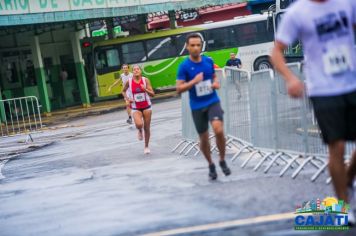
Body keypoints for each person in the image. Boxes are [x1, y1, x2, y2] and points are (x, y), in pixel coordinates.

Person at [270, 0, 356, 225]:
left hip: (352, 83)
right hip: (323, 89)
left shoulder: (347, 4)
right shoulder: (297, 12)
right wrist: (291, 79)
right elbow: (276, 52)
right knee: (336, 147)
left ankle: (347, 178)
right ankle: (344, 208)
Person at [176, 33, 231, 180]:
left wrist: (216, 83)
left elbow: (213, 76)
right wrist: (193, 81)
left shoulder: (207, 61)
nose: (195, 48)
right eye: (192, 45)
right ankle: (211, 164)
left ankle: (222, 160)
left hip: (212, 101)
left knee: (219, 130)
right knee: (204, 139)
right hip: (197, 106)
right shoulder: (184, 66)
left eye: (198, 45)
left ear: (201, 46)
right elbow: (179, 89)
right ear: (187, 47)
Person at [122, 65, 155, 154]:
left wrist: (145, 90)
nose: (136, 70)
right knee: (139, 124)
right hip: (136, 107)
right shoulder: (129, 81)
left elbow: (152, 94)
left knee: (147, 127)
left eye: (138, 69)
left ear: (140, 71)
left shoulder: (145, 80)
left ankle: (146, 146)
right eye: (134, 69)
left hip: (147, 106)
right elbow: (123, 91)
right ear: (133, 72)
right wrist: (128, 99)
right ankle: (139, 130)